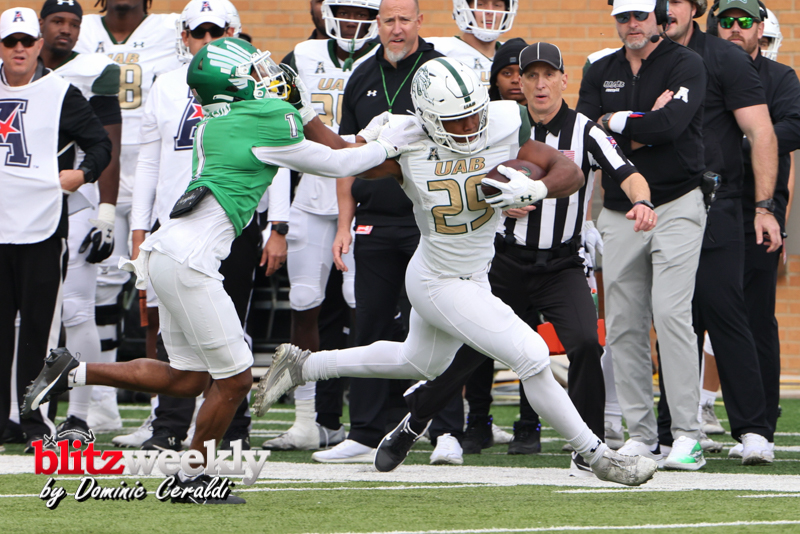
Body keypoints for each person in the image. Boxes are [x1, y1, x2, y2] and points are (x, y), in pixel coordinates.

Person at [21, 36, 421, 504]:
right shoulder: (264, 117)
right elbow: (340, 162)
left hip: (168, 252)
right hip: (191, 261)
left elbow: (330, 149)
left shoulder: (219, 121)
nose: (264, 77)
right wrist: (388, 143)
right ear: (233, 86)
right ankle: (192, 477)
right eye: (253, 72)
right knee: (234, 379)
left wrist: (324, 119)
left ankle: (73, 370)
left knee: (188, 378)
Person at [254, 56, 659, 487]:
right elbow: (339, 158)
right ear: (428, 119)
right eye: (455, 121)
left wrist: (536, 187)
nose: (468, 128)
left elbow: (570, 172)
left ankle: (304, 365)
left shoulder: (504, 121)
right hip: (439, 279)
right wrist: (304, 113)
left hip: (471, 272)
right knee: (532, 355)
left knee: (417, 361)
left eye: (473, 115)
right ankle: (598, 457)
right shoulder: (407, 140)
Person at [384, 43, 657, 476]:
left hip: (561, 263)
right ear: (519, 84)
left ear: (565, 80)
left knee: (585, 342)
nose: (540, 84)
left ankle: (588, 448)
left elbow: (626, 171)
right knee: (470, 352)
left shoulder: (584, 130)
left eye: (549, 75)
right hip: (504, 259)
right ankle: (418, 420)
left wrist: (642, 202)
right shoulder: (495, 125)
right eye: (530, 76)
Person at [121, 0, 281, 453]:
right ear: (184, 37)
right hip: (174, 223)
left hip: (232, 220)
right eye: (198, 33)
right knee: (171, 333)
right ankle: (169, 426)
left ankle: (232, 427)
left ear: (234, 33)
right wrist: (139, 226)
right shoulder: (166, 85)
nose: (207, 41)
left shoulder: (255, 85)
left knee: (231, 322)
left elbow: (283, 157)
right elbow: (148, 161)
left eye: (216, 32)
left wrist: (280, 223)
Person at [576, 0, 709, 470]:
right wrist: (640, 123)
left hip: (677, 203)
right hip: (619, 210)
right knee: (623, 324)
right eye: (623, 17)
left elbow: (670, 125)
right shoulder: (600, 69)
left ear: (658, 16)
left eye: (639, 15)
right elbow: (586, 138)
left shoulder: (686, 63)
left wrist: (615, 121)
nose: (631, 24)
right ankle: (642, 436)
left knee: (671, 315)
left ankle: (688, 436)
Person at [316, 0, 448, 465]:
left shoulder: (440, 70)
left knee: (436, 323)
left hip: (428, 221)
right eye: (388, 20)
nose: (396, 28)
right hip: (374, 221)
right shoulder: (361, 75)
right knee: (369, 323)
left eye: (404, 19)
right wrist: (343, 224)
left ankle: (443, 429)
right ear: (378, 23)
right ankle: (365, 431)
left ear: (419, 22)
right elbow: (347, 157)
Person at [652, 0, 778, 466]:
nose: (667, 10)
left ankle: (753, 429)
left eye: (677, 2)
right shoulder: (637, 60)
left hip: (716, 201)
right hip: (657, 204)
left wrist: (764, 207)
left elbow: (762, 133)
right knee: (673, 319)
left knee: (726, 311)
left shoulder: (725, 57)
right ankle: (673, 430)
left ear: (696, 8)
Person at [262, 0, 381, 453]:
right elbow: (275, 131)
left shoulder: (387, 58)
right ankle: (308, 418)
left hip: (366, 195)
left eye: (361, 12)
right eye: (343, 9)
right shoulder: (300, 56)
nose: (352, 21)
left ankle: (369, 419)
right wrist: (278, 220)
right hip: (310, 196)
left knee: (362, 306)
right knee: (304, 301)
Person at [0, 7, 111, 452]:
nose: (20, 49)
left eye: (27, 41)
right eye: (11, 42)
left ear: (39, 45)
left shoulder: (61, 92)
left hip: (43, 226)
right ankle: (4, 421)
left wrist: (81, 175)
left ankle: (36, 421)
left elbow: (100, 143)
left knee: (40, 330)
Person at [74, 0, 182, 413]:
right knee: (99, 286)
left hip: (158, 175)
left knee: (159, 292)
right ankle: (102, 402)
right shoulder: (79, 29)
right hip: (97, 173)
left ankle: (161, 408)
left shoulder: (172, 28)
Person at [711, 0, 800, 461]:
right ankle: (681, 422)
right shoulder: (699, 69)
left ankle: (761, 424)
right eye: (725, 20)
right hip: (708, 209)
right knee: (692, 317)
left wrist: (742, 138)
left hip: (759, 212)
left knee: (757, 317)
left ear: (760, 28)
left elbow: (791, 129)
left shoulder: (780, 78)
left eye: (743, 21)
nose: (734, 28)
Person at [36, 0, 123, 442]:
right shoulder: (11, 73)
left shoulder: (93, 71)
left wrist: (106, 212)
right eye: (57, 21)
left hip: (73, 203)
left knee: (77, 309)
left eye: (74, 23)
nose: (66, 30)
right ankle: (22, 412)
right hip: (19, 207)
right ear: (41, 25)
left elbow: (107, 145)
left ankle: (80, 414)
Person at [428, 0, 518, 85]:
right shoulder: (437, 50)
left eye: (497, 5)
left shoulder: (515, 53)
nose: (490, 11)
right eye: (480, 4)